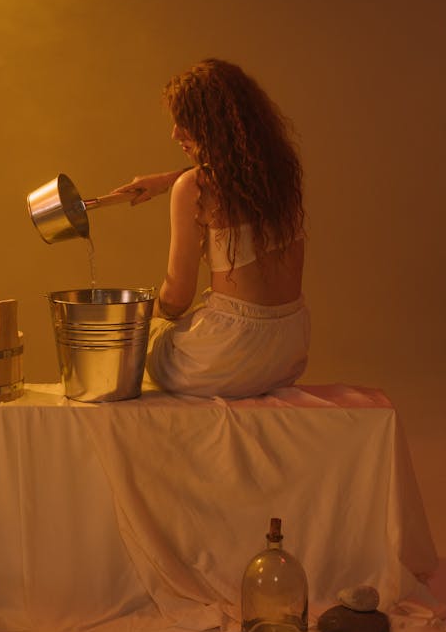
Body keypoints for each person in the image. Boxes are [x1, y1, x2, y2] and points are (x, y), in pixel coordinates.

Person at [113, 58, 310, 398]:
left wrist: (148, 319)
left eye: (185, 121)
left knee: (144, 342)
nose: (175, 132)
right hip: (289, 348)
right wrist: (166, 180)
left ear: (212, 126)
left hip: (230, 354)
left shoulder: (194, 188)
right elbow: (231, 174)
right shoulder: (277, 174)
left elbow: (177, 297)